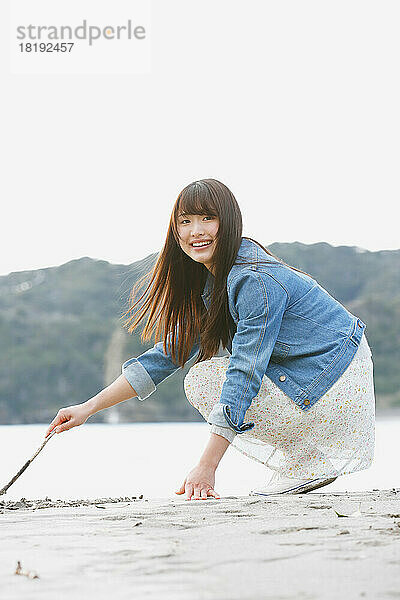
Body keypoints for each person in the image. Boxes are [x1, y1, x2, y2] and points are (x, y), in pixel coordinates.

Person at [45, 178, 375, 500]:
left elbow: (245, 372)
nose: (196, 231)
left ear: (228, 222)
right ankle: (308, 458)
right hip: (316, 376)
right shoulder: (214, 282)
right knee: (204, 376)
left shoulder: (253, 281)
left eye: (208, 218)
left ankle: (309, 461)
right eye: (185, 221)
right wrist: (88, 408)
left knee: (205, 380)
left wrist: (206, 466)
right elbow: (167, 356)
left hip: (337, 380)